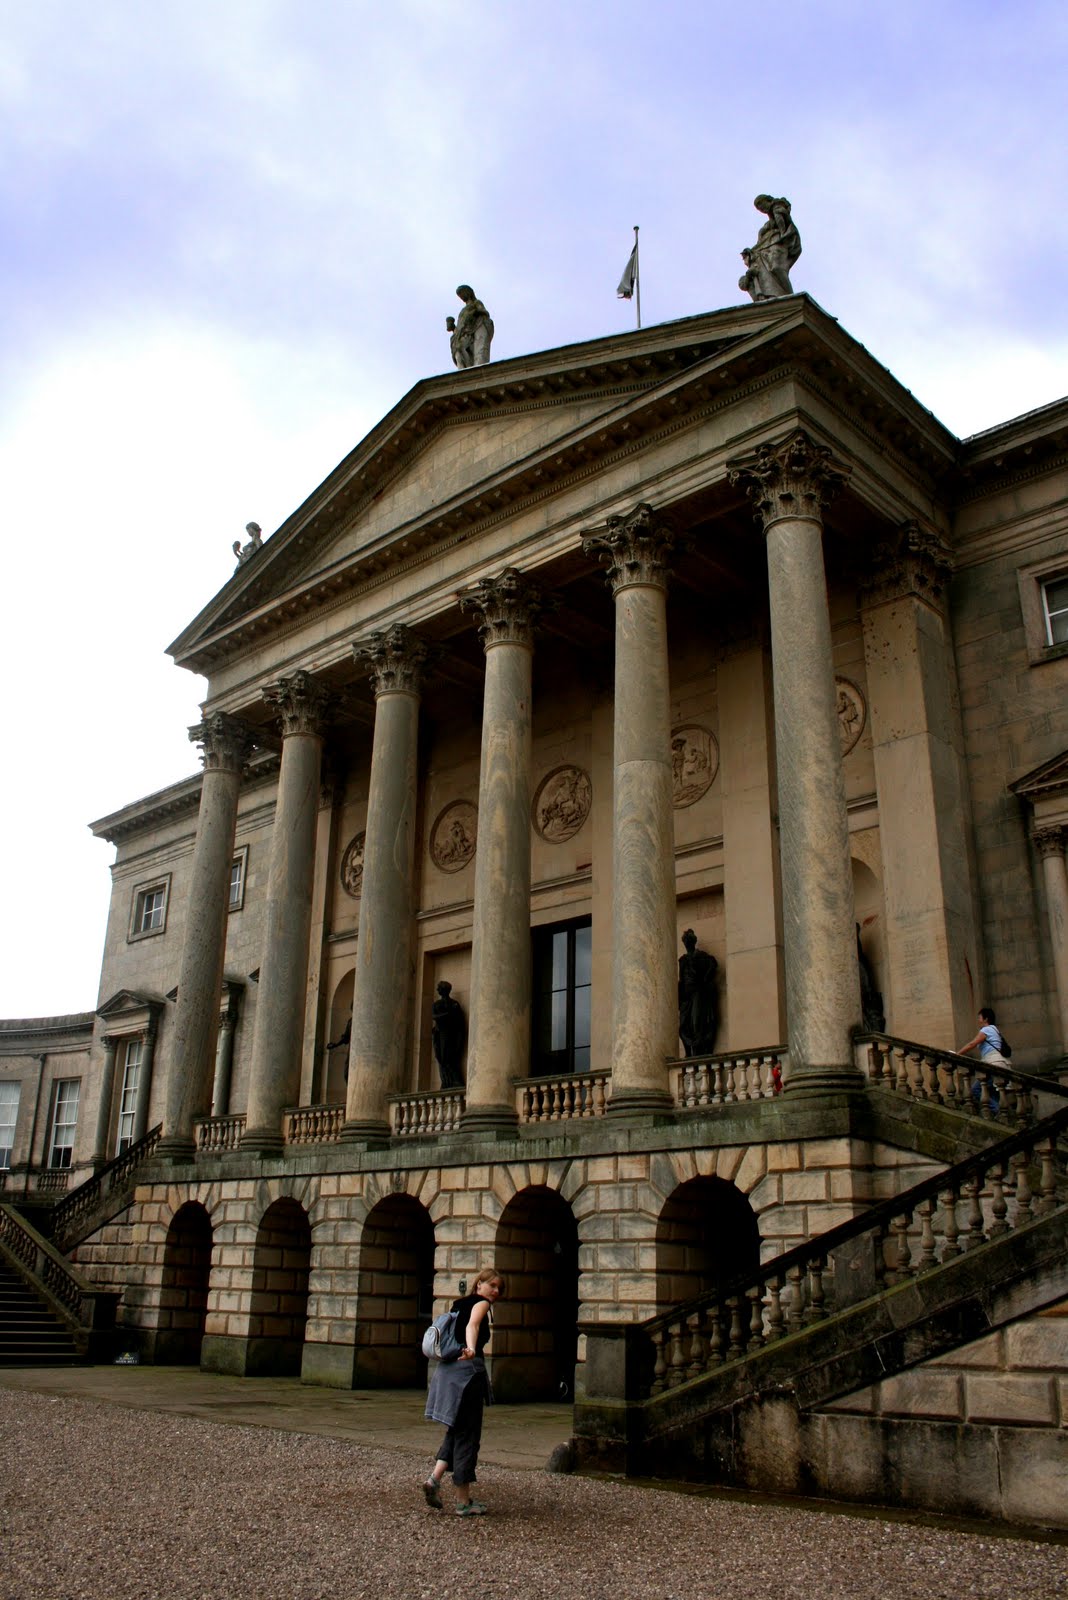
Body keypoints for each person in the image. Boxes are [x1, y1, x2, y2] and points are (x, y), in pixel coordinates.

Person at [423, 1266, 505, 1516]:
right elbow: (472, 1326)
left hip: (448, 1372)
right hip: (467, 1375)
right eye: (493, 1285)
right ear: (479, 1284)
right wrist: (470, 1349)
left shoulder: (458, 1303)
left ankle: (433, 1480)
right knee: (468, 1435)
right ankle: (463, 1501)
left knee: (456, 1429)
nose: (496, 1291)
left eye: (499, 1288)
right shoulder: (481, 1304)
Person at [738, 194, 801, 303]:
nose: (762, 210)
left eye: (762, 206)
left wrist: (782, 233)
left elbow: (784, 223)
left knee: (777, 267)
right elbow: (760, 243)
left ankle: (789, 296)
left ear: (768, 201)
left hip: (779, 244)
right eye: (759, 209)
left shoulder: (778, 209)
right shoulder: (766, 226)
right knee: (766, 271)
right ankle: (771, 295)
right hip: (766, 250)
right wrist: (751, 251)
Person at [957, 1006, 1007, 1114]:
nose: (978, 1020)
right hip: (1000, 1063)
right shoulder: (995, 1030)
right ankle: (1000, 1115)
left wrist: (957, 1054)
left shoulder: (987, 1029)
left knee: (976, 1090)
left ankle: (998, 1110)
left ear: (986, 1019)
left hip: (992, 1064)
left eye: (979, 1017)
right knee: (993, 1093)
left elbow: (972, 1044)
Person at [678, 929, 719, 1056]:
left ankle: (697, 1051)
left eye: (689, 941)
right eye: (685, 941)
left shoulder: (701, 956)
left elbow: (713, 964)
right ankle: (689, 1052)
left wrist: (706, 979)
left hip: (697, 992)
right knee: (683, 1025)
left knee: (696, 1023)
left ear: (693, 942)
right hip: (686, 995)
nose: (687, 943)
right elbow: (681, 978)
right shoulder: (683, 959)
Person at [446, 285, 494, 368]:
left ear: (468, 293)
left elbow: (484, 313)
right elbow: (461, 324)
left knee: (471, 351)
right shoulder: (463, 310)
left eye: (462, 294)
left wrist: (474, 313)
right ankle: (463, 371)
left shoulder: (476, 303)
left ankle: (473, 369)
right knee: (459, 352)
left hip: (473, 329)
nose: (462, 297)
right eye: (460, 296)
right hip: (461, 334)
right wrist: (453, 328)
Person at [431, 981, 466, 1088]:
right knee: (441, 1058)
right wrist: (448, 1014)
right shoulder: (437, 1004)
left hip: (452, 1034)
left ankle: (454, 1081)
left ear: (444, 990)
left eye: (439, 988)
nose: (437, 990)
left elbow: (460, 1021)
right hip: (440, 1034)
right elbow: (435, 1016)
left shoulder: (455, 1004)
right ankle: (445, 1082)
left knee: (452, 1057)